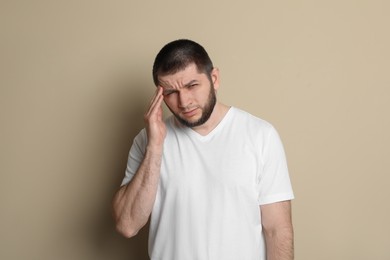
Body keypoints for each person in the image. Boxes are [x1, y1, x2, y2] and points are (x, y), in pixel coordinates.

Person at [112, 39, 294, 260]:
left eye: (192, 86)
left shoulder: (260, 135)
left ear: (214, 78)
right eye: (171, 92)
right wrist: (155, 147)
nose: (184, 101)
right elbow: (127, 225)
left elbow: (278, 231)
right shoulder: (147, 141)